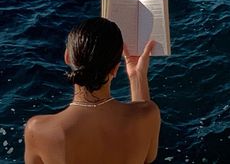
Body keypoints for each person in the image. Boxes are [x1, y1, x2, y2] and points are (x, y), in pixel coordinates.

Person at [24, 17, 161, 164]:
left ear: (68, 57)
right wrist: (137, 76)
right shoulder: (148, 115)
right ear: (115, 69)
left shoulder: (39, 131)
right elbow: (148, 158)